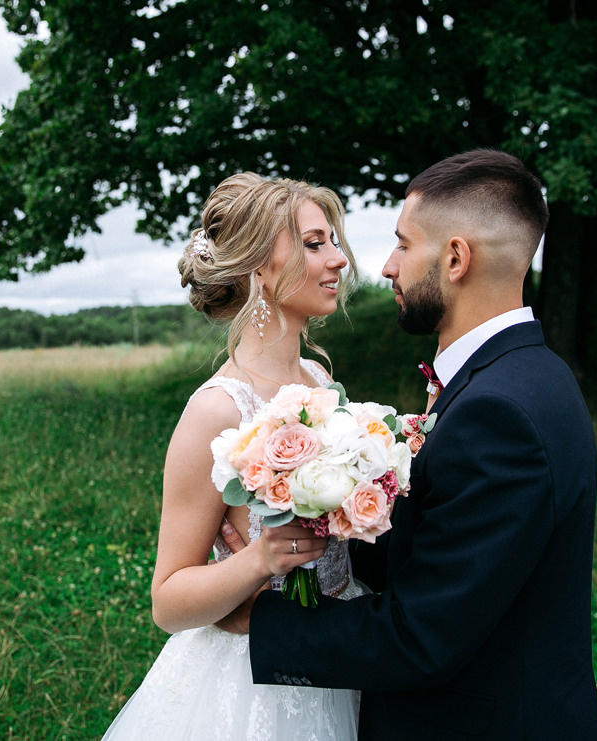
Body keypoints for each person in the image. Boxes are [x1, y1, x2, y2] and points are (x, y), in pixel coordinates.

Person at [227, 149, 597, 738]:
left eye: (404, 244)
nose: (385, 266)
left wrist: (259, 617)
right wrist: (318, 522)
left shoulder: (498, 413)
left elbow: (420, 637)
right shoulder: (529, 374)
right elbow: (444, 548)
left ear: (456, 258)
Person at [102, 172, 367, 739]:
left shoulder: (320, 379)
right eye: (314, 243)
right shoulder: (219, 411)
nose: (338, 259)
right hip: (250, 685)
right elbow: (168, 602)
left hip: (339, 649)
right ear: (259, 268)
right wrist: (259, 560)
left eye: (334, 241)